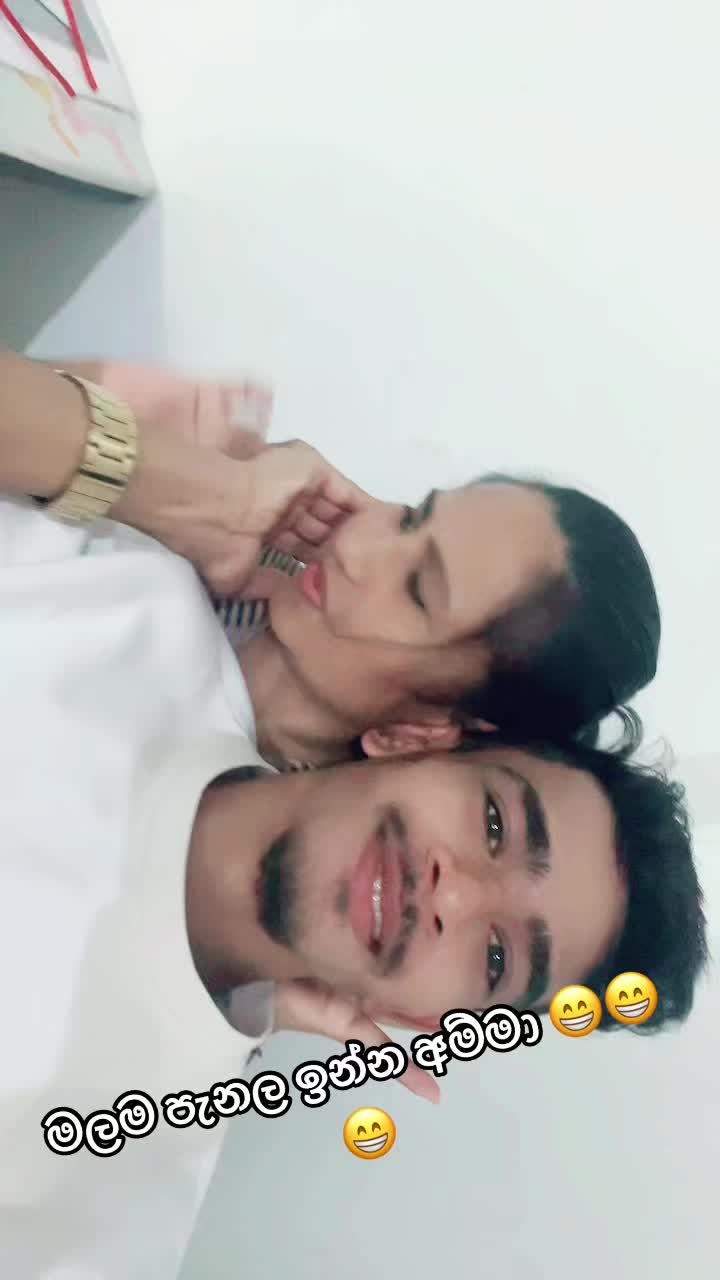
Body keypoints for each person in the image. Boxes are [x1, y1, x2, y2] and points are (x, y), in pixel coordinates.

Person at [0, 353, 706, 1279]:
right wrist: (172, 473)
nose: (457, 895)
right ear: (421, 741)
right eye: (496, 827)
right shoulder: (134, 596)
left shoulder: (114, 1183)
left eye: (497, 958)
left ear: (424, 1023)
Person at [40, 357, 661, 770]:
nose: (358, 545)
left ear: (428, 730)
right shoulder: (222, 541)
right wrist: (148, 430)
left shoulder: (204, 799)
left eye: (417, 589)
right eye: (411, 517)